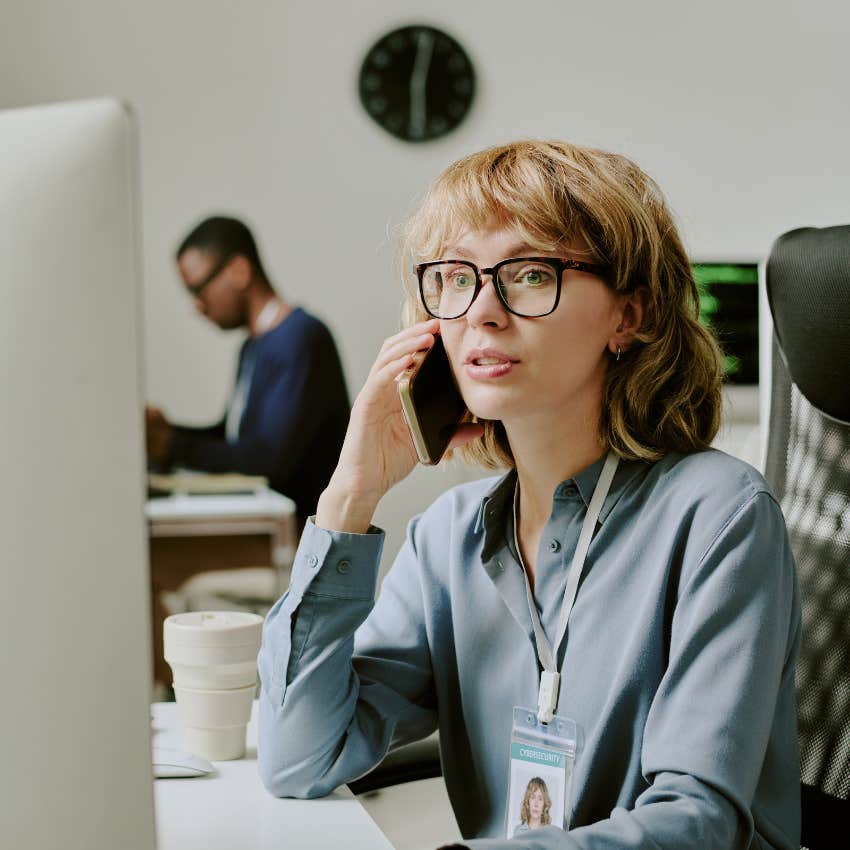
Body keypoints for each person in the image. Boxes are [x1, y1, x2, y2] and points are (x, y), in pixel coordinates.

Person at [256, 141, 801, 849]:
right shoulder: (447, 536)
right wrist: (349, 497)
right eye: (454, 277)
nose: (482, 310)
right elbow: (301, 758)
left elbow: (698, 823)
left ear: (627, 317)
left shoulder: (719, 516)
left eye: (529, 273)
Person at [146, 216, 350, 526]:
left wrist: (173, 445)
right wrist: (168, 434)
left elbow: (267, 461)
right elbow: (236, 439)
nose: (198, 307)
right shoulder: (253, 346)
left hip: (303, 542)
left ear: (239, 270)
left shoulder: (301, 337)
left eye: (198, 290)